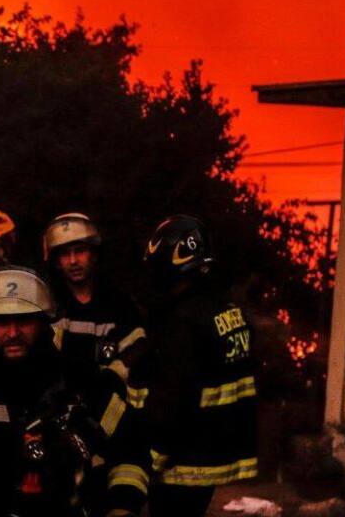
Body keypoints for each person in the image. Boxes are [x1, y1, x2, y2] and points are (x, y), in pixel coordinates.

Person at [0, 266, 150, 517]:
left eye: (24, 320)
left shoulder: (82, 381)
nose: (12, 333)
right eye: (1, 321)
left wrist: (122, 506)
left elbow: (131, 447)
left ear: (44, 322)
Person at [143, 215, 258, 517]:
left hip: (182, 462)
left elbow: (173, 398)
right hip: (214, 455)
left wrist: (150, 458)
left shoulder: (183, 322)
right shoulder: (230, 312)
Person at [43, 213, 146, 404]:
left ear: (95, 254)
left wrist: (111, 377)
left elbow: (137, 349)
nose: (73, 261)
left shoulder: (119, 304)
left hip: (111, 410)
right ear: (56, 261)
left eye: (80, 250)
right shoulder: (47, 307)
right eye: (65, 253)